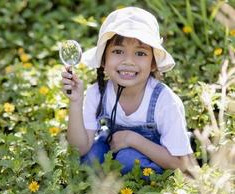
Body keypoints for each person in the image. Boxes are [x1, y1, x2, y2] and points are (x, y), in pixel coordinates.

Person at [61, 7, 194, 175]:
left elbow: (183, 163)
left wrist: (132, 139)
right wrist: (75, 102)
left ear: (153, 63)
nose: (128, 61)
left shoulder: (165, 101)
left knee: (128, 160)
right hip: (112, 143)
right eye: (118, 51)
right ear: (103, 59)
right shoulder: (98, 92)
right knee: (89, 160)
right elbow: (79, 149)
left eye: (140, 53)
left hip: (155, 152)